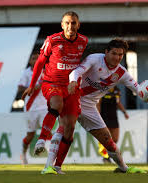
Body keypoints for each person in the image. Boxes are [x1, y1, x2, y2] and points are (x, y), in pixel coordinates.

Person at [42, 38, 148, 174]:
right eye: (114, 53)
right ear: (106, 52)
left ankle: (124, 168)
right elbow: (75, 72)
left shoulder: (122, 73)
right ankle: (49, 167)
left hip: (89, 107)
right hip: (74, 98)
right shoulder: (94, 59)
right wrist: (73, 81)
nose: (117, 57)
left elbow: (140, 91)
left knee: (107, 139)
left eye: (120, 55)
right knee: (64, 128)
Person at [21, 11, 88, 172]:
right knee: (56, 104)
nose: (70, 26)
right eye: (67, 23)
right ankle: (41, 141)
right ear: (62, 25)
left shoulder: (83, 41)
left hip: (71, 87)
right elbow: (39, 63)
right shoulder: (52, 40)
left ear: (78, 25)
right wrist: (31, 85)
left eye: (73, 23)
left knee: (69, 128)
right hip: (51, 83)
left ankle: (57, 166)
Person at [18, 53, 49, 165]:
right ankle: (23, 153)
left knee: (48, 130)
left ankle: (51, 158)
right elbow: (20, 87)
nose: (36, 60)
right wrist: (31, 88)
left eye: (38, 58)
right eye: (33, 58)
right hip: (30, 107)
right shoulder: (26, 73)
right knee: (30, 134)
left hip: (45, 106)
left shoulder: (46, 72)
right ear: (30, 61)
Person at [97, 86, 129, 163]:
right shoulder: (102, 89)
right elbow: (98, 103)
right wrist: (98, 116)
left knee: (115, 138)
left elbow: (118, 103)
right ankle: (106, 157)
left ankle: (108, 154)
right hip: (104, 117)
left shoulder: (117, 90)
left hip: (113, 117)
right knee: (106, 138)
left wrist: (124, 112)